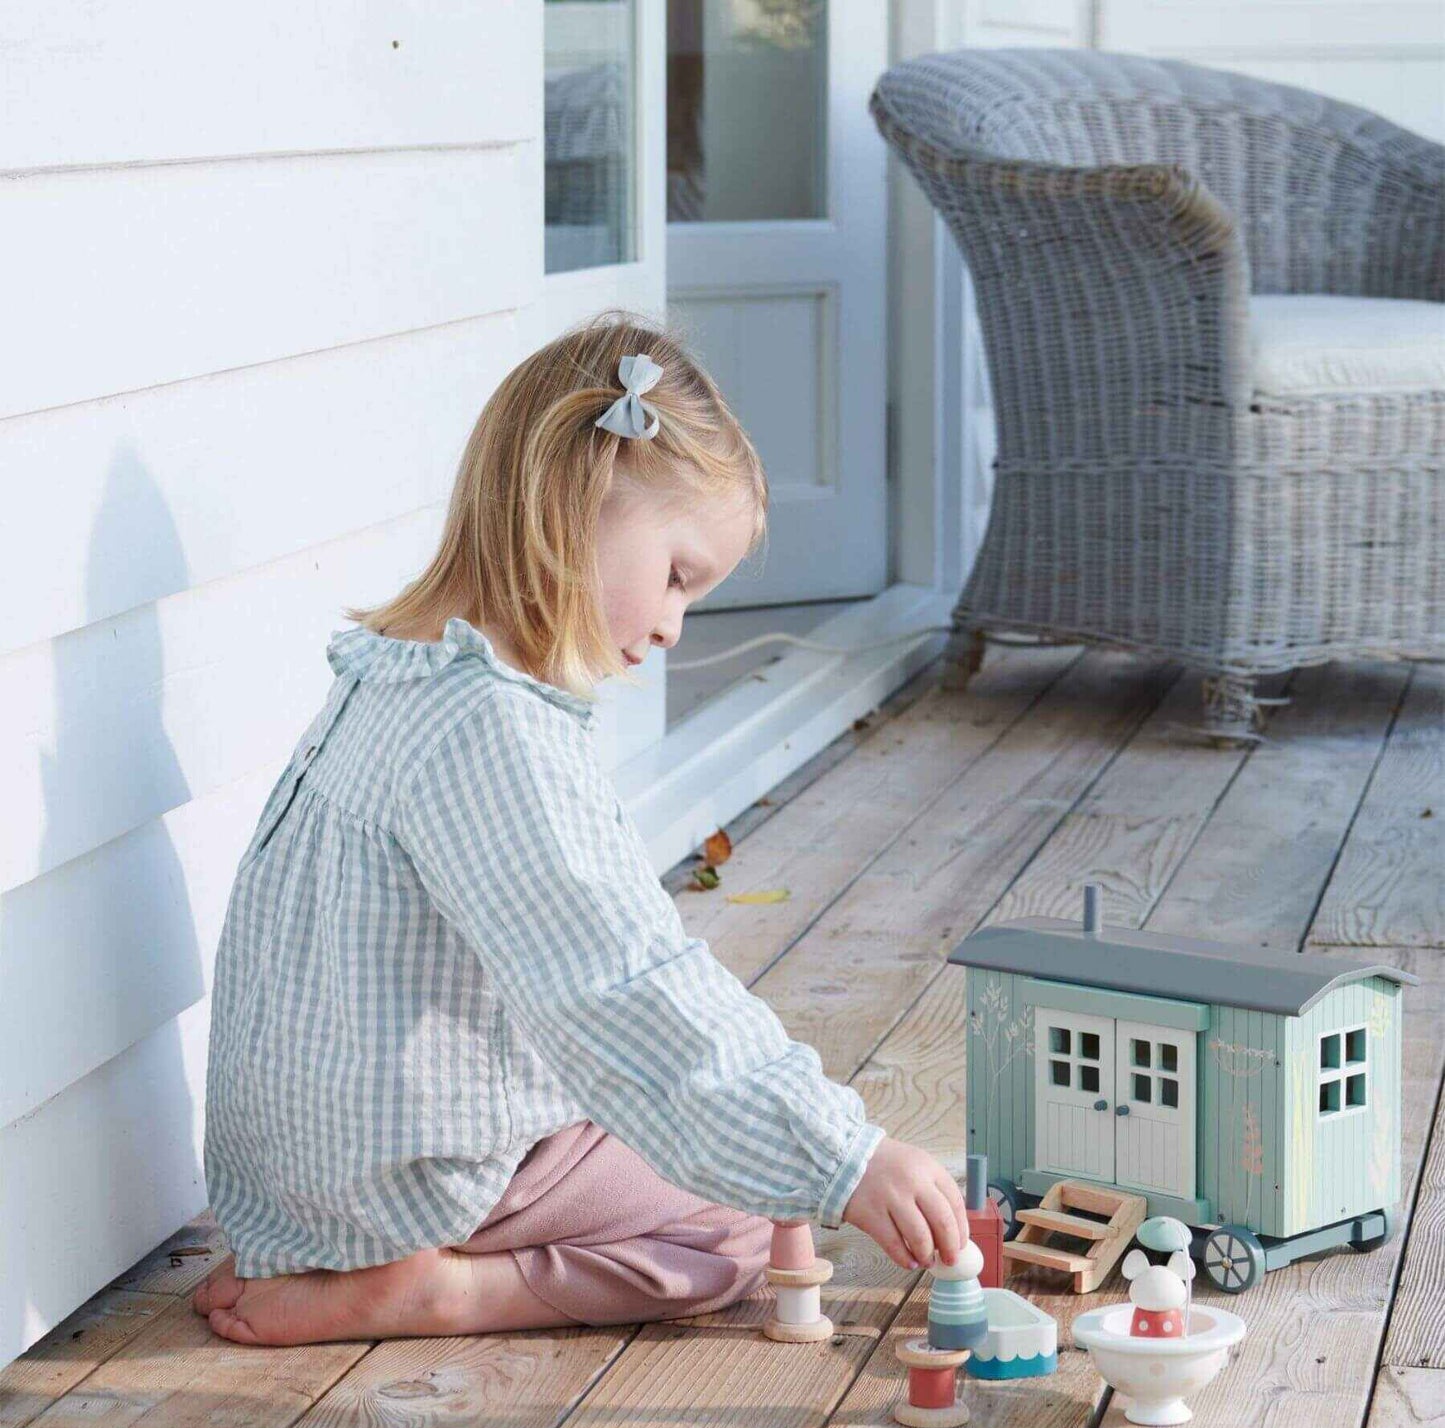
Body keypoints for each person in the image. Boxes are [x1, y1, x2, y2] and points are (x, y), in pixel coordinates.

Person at [194, 313, 967, 1346]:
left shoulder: (390, 671)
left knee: (695, 1124)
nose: (671, 627)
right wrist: (842, 1154)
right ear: (575, 502)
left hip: (295, 1177)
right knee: (745, 1217)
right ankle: (437, 1287)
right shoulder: (496, 735)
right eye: (679, 574)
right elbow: (620, 985)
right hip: (401, 1187)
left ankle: (364, 1259)